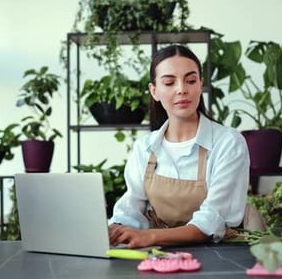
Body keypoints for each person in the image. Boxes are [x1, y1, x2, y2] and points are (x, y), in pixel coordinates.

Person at [107, 44, 251, 249]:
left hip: (217, 258)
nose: (182, 89)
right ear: (154, 91)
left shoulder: (228, 143)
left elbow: (211, 222)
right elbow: (131, 209)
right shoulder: (144, 148)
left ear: (200, 85)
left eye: (191, 80)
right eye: (169, 82)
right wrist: (116, 228)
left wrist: (150, 237)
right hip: (159, 258)